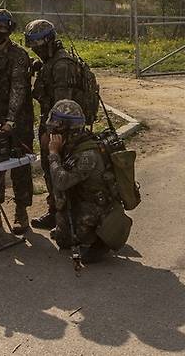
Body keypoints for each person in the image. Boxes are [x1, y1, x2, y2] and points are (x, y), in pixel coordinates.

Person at [25, 19, 97, 231]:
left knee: (58, 169)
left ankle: (63, 216)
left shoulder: (61, 66)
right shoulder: (52, 61)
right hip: (58, 125)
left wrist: (52, 134)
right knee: (53, 171)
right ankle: (58, 210)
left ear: (48, 41)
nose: (35, 50)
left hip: (62, 130)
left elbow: (62, 107)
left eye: (38, 46)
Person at [47, 99, 130, 264]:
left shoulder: (87, 155)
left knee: (76, 237)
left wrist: (53, 153)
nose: (53, 131)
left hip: (97, 206)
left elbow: (61, 182)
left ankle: (101, 239)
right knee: (63, 241)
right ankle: (83, 231)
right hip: (84, 199)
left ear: (68, 128)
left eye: (57, 127)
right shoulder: (74, 144)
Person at [0, 9, 34, 235]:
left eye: (1, 28)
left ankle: (21, 212)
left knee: (20, 164)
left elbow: (18, 89)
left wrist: (11, 121)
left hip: (20, 118)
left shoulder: (19, 55)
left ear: (9, 29)